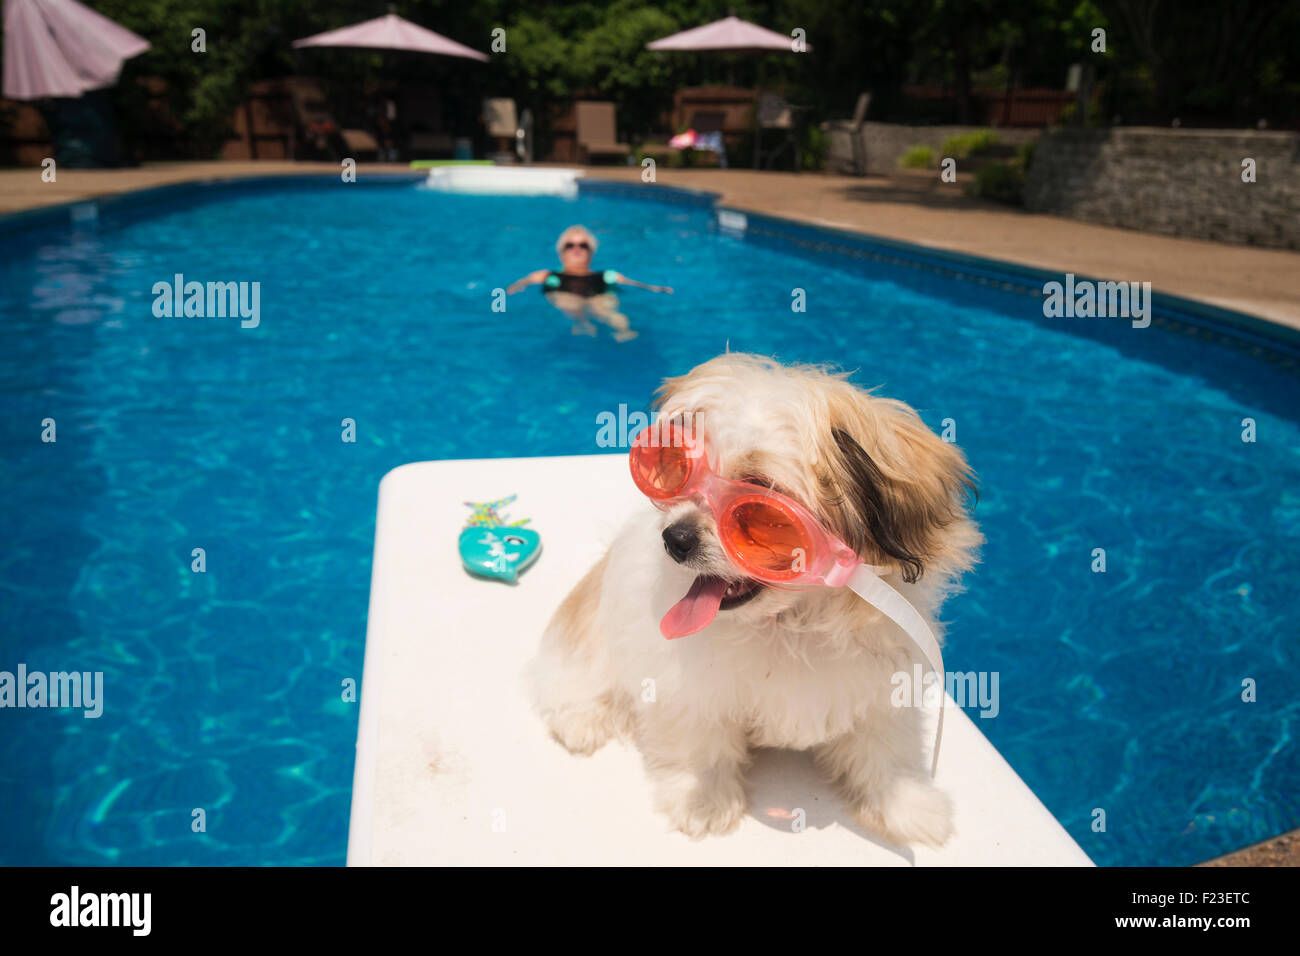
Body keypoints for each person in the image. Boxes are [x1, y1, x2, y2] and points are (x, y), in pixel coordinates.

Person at [506, 225, 673, 342]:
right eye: (570, 245)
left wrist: (657, 289)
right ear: (561, 252)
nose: (577, 249)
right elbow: (522, 283)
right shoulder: (546, 275)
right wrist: (513, 289)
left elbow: (636, 284)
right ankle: (582, 324)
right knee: (569, 303)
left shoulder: (607, 275)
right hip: (564, 291)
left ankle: (624, 332)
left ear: (591, 252)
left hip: (598, 292)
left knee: (607, 310)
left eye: (583, 245)